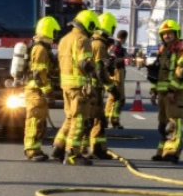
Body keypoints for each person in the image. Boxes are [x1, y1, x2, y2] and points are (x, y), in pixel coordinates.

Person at [51, 9, 98, 165]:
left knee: (70, 118)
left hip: (66, 85)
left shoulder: (64, 39)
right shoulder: (83, 40)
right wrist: (95, 68)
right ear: (89, 25)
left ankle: (58, 147)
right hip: (78, 87)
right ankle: (73, 154)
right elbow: (84, 63)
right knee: (78, 122)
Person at [149, 19, 183, 163]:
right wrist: (154, 90)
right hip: (162, 93)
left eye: (170, 34)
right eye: (164, 34)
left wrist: (172, 90)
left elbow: (181, 72)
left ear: (176, 34)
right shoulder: (163, 50)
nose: (167, 36)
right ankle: (161, 152)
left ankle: (172, 152)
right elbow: (158, 73)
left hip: (176, 93)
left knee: (173, 123)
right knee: (162, 124)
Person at [21, 16, 60, 162]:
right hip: (35, 91)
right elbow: (38, 73)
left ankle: (36, 148)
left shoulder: (42, 47)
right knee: (34, 121)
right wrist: (48, 91)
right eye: (54, 32)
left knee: (40, 122)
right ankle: (31, 150)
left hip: (38, 91)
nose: (55, 35)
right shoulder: (40, 48)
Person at [86, 12, 117, 160]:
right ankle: (95, 149)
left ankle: (99, 148)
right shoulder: (99, 44)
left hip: (91, 87)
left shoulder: (93, 41)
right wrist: (111, 87)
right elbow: (99, 71)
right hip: (94, 88)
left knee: (96, 119)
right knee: (97, 119)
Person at [106, 27, 129, 128]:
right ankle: (114, 119)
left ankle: (107, 118)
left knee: (112, 97)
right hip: (117, 73)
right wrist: (124, 58)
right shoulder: (117, 47)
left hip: (116, 73)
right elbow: (113, 59)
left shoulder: (115, 46)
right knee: (119, 97)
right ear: (124, 38)